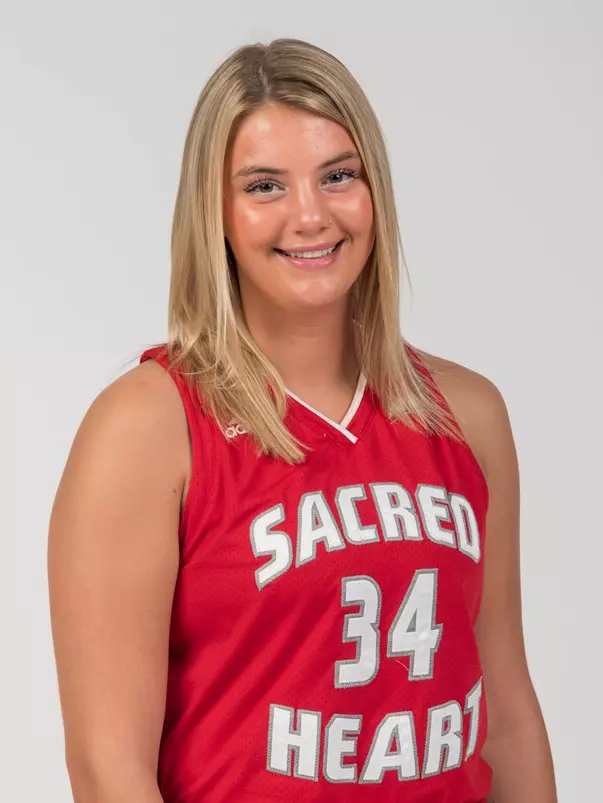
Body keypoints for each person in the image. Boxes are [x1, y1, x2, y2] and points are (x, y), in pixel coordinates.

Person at [47, 37, 557, 803]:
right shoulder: (148, 428)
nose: (310, 214)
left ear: (373, 189)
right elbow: (107, 766)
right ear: (214, 212)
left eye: (337, 175)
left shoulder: (469, 414)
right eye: (264, 186)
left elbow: (506, 715)